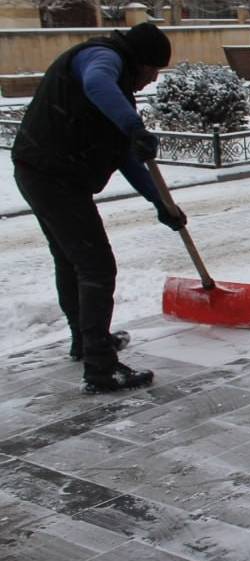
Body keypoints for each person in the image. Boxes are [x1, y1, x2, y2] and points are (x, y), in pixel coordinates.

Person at [11, 22, 187, 393]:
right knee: (96, 265)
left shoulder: (118, 83)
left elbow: (125, 156)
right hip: (50, 176)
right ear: (138, 61)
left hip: (44, 171)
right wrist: (133, 124)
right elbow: (95, 82)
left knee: (73, 261)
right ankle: (101, 369)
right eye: (154, 70)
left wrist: (161, 204)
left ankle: (87, 343)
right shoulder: (101, 58)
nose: (153, 80)